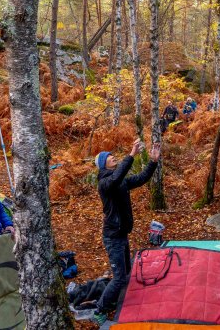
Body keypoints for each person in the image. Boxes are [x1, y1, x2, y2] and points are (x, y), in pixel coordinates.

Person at [91, 139, 161, 325]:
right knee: (120, 278)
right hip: (112, 236)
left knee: (127, 272)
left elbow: (140, 178)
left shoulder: (119, 181)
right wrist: (131, 155)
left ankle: (118, 300)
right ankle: (99, 310)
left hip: (121, 233)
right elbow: (115, 179)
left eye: (113, 155)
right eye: (109, 157)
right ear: (102, 164)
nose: (113, 157)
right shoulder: (105, 183)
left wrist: (153, 162)